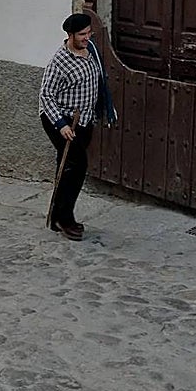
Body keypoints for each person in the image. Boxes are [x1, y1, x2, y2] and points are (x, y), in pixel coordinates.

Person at [38, 12, 116, 241]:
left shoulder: (90, 50)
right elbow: (46, 95)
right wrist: (61, 125)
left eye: (88, 32)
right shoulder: (59, 61)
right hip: (61, 121)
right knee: (77, 167)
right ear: (70, 35)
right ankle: (65, 219)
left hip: (83, 120)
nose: (87, 37)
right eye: (82, 34)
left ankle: (56, 215)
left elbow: (99, 79)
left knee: (68, 168)